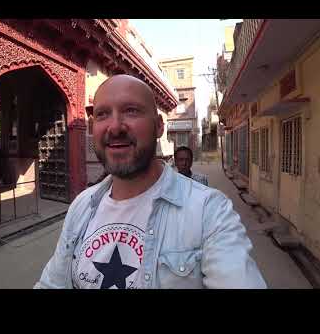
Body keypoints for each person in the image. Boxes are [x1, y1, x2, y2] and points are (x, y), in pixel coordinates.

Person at [34, 75, 266, 289]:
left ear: (158, 126)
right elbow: (51, 283)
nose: (115, 127)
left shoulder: (209, 211)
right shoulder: (82, 206)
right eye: (103, 114)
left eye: (131, 110)